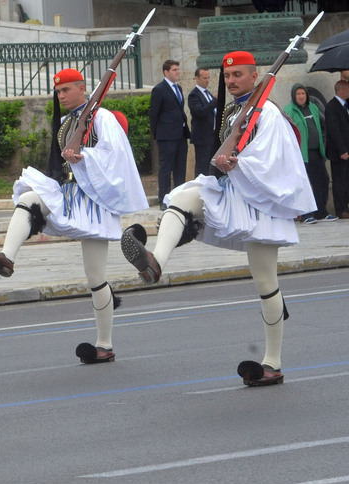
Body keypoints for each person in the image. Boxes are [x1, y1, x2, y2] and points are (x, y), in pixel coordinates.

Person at [121, 51, 316, 387]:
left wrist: (239, 164)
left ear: (255, 77)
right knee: (180, 200)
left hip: (261, 202)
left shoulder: (267, 113)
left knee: (266, 283)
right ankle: (155, 262)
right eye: (227, 76)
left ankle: (272, 363)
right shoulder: (233, 111)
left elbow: (275, 160)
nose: (231, 81)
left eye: (238, 75)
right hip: (230, 192)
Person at [0, 68, 148, 364]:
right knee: (30, 197)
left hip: (94, 202)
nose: (61, 96)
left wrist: (85, 158)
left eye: (66, 90)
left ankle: (104, 345)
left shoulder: (102, 118)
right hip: (69, 196)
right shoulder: (70, 121)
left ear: (82, 89)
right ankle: (6, 258)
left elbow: (115, 156)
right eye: (58, 92)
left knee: (96, 277)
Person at [283, 85, 335, 223]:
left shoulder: (313, 107)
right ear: (294, 95)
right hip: (301, 153)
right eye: (298, 94)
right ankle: (306, 214)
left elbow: (320, 126)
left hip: (316, 150)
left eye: (303, 93)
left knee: (322, 180)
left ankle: (321, 212)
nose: (301, 96)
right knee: (304, 184)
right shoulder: (289, 111)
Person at [149, 59, 190, 206]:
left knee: (180, 168)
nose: (177, 72)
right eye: (174, 70)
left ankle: (179, 198)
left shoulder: (178, 88)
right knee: (166, 168)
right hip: (166, 136)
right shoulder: (159, 89)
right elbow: (154, 113)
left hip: (180, 134)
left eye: (178, 69)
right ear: (166, 72)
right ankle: (164, 199)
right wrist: (158, 133)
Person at [188, 68, 218, 178]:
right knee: (202, 166)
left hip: (212, 135)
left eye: (208, 78)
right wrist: (215, 101)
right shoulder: (194, 95)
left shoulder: (208, 94)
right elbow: (200, 112)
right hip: (202, 137)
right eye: (204, 78)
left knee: (212, 166)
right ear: (197, 78)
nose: (207, 80)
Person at [328, 80, 349, 219]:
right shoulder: (332, 106)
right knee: (340, 181)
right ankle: (341, 209)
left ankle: (346, 205)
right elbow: (334, 130)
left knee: (346, 180)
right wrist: (342, 150)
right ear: (341, 90)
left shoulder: (346, 105)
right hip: (339, 153)